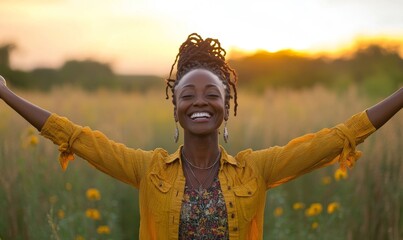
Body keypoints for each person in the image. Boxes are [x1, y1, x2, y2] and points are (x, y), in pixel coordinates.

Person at [0, 33, 402, 240]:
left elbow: (337, 138)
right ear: (174, 106)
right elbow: (75, 137)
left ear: (227, 106)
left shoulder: (255, 170)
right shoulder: (148, 169)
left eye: (213, 94)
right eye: (187, 94)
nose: (200, 102)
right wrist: (6, 92)